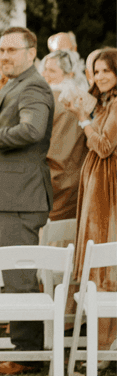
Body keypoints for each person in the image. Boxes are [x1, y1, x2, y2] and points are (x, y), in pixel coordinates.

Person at [0, 27, 54, 375]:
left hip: (21, 197)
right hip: (10, 196)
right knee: (14, 275)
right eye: (1, 50)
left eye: (12, 50)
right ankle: (24, 346)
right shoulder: (13, 84)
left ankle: (27, 356)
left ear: (31, 53)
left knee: (20, 276)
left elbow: (33, 130)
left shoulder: (34, 85)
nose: (4, 56)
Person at [64, 48, 117, 349]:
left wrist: (83, 119)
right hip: (99, 182)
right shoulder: (106, 103)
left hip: (109, 186)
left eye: (107, 70)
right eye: (96, 71)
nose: (100, 76)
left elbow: (105, 145)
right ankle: (101, 341)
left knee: (105, 253)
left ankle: (106, 343)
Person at [40, 50, 88, 221]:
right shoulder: (85, 97)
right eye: (45, 69)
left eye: (52, 71)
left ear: (69, 74)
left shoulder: (49, 99)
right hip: (80, 177)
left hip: (56, 177)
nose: (45, 74)